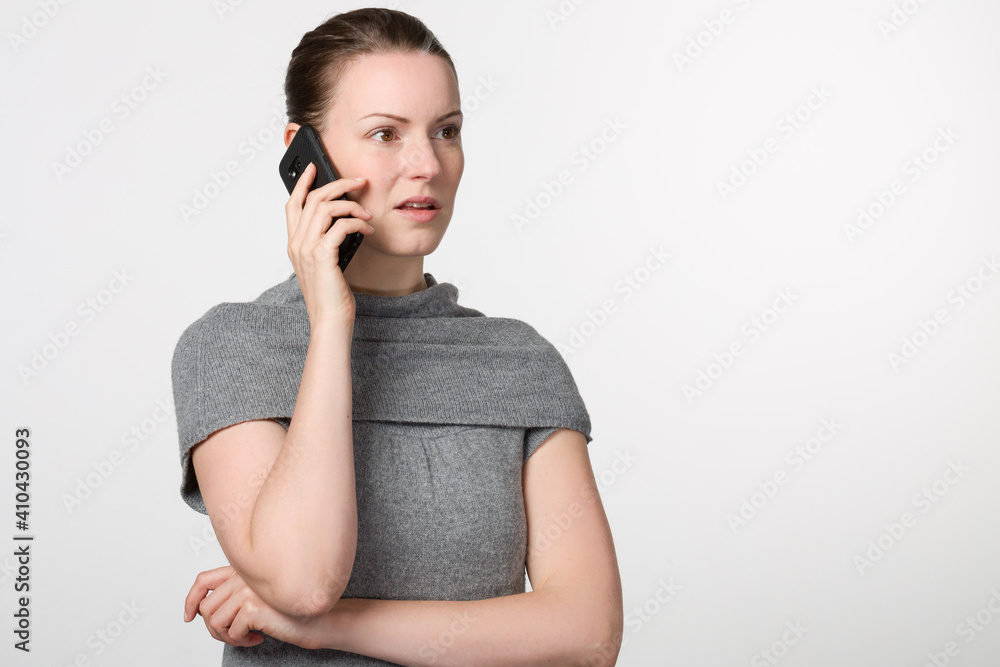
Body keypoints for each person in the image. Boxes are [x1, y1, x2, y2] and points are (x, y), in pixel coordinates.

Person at [170, 8, 623, 665]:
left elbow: (586, 633)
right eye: (385, 133)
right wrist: (331, 323)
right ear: (305, 153)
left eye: (447, 131)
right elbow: (303, 577)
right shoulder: (236, 346)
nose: (426, 164)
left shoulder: (517, 361)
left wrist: (331, 626)